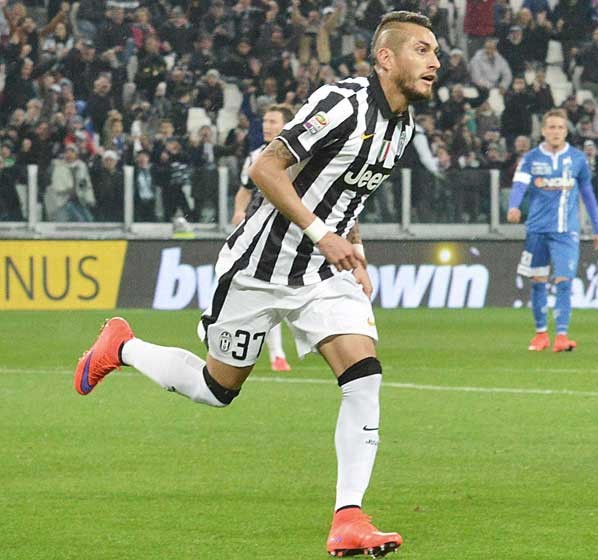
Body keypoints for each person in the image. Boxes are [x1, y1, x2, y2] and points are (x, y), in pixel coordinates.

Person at [73, 11, 440, 558]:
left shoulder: (403, 126)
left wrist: (355, 251)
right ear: (386, 58)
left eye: (436, 52)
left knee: (364, 377)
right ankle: (122, 346)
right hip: (257, 269)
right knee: (217, 389)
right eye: (422, 50)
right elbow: (265, 169)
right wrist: (321, 233)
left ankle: (348, 517)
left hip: (321, 273)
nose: (435, 61)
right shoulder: (342, 103)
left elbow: (350, 194)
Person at [507, 109, 598, 353]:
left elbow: (588, 195)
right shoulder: (531, 158)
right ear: (543, 131)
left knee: (564, 281)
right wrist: (513, 206)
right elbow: (519, 185)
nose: (556, 132)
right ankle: (541, 334)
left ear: (566, 131)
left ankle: (562, 336)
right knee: (538, 281)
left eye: (560, 127)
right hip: (537, 230)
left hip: (566, 232)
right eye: (551, 127)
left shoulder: (577, 159)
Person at [231, 103, 295, 372]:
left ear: (287, 125)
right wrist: (238, 211)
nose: (267, 126)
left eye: (273, 121)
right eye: (265, 121)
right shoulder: (256, 156)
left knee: (291, 290)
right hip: (267, 234)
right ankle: (276, 354)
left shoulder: (300, 155)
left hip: (297, 231)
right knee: (270, 289)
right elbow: (245, 189)